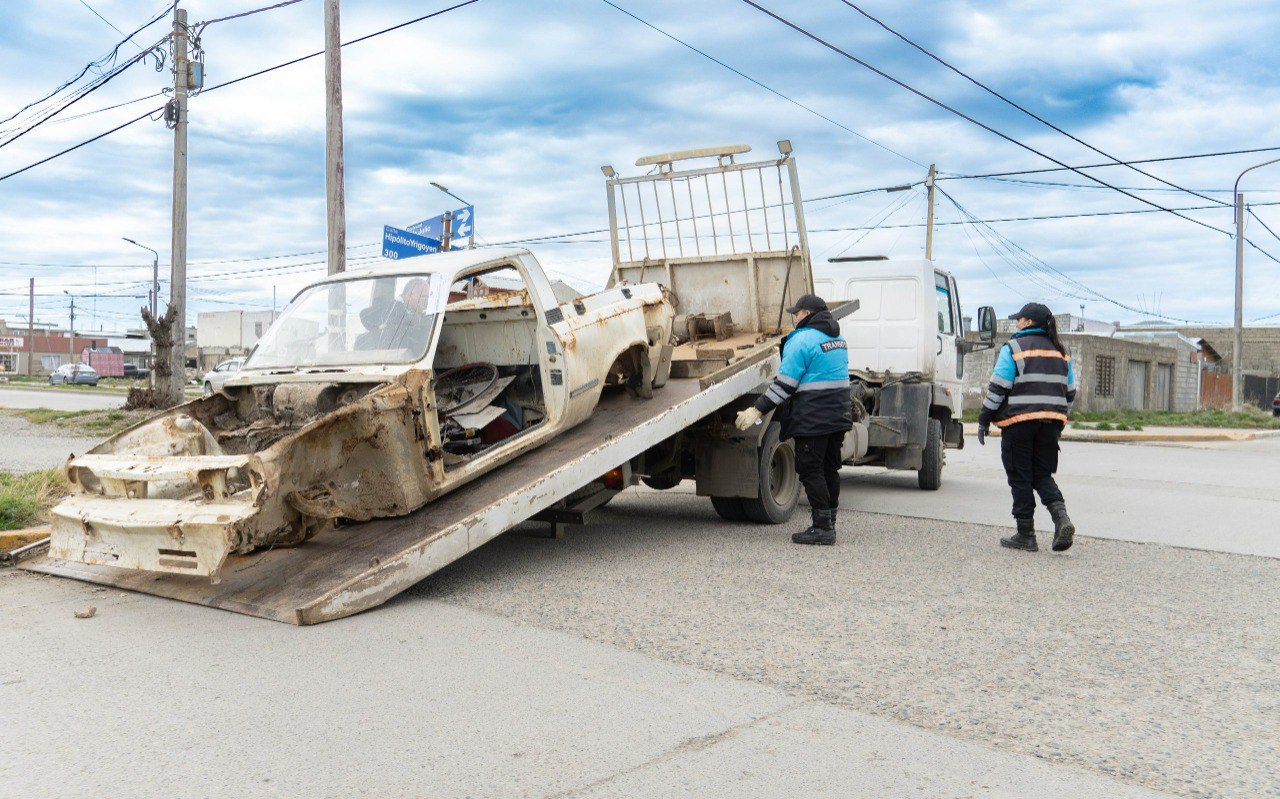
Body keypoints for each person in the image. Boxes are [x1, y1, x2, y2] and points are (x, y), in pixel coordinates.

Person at [735, 294, 851, 545]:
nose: (794, 318)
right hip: (838, 415)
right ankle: (829, 521)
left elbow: (784, 386)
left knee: (811, 469)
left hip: (814, 417)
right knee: (829, 468)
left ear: (807, 314)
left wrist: (757, 410)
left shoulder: (801, 340)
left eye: (796, 313)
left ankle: (822, 528)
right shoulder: (838, 339)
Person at [976, 302, 1078, 552]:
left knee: (1020, 476)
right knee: (1042, 475)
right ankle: (1061, 519)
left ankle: (1026, 535)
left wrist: (984, 418)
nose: (1017, 323)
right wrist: (1058, 419)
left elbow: (998, 388)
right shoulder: (1062, 352)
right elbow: (1070, 393)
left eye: (1019, 319)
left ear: (1029, 322)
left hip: (1019, 424)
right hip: (1050, 424)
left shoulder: (1014, 348)